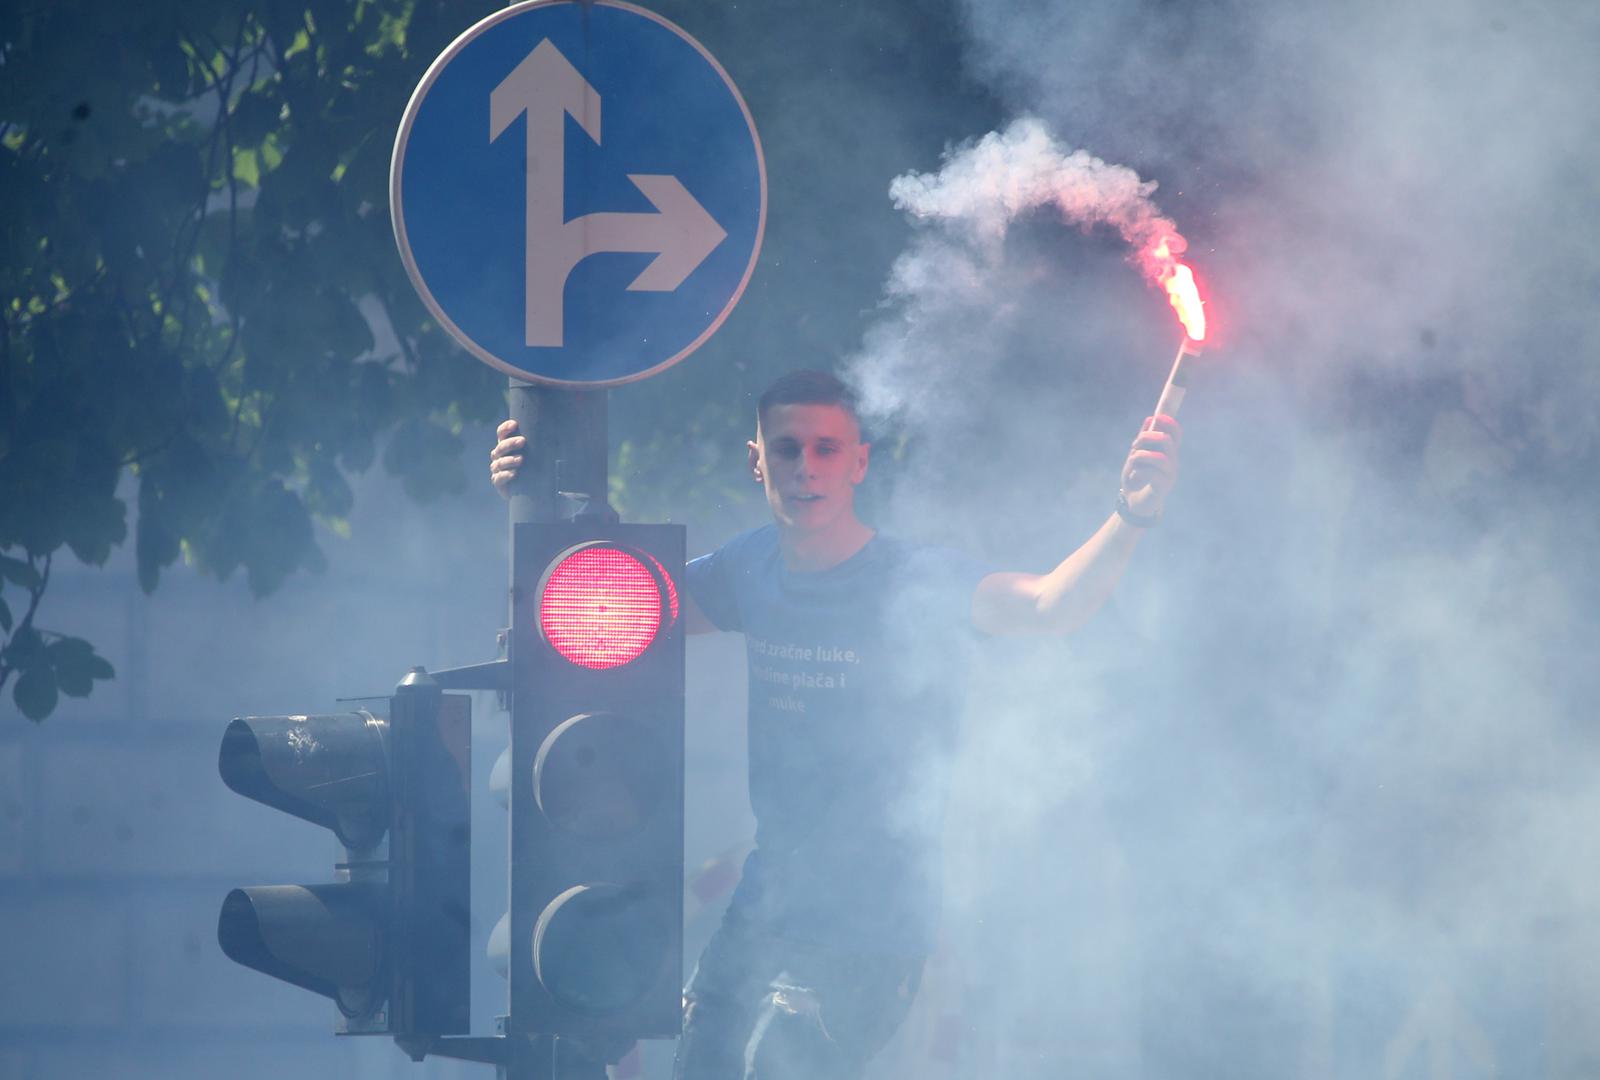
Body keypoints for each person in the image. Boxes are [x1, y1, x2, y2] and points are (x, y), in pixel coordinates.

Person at [489, 370, 1180, 1079]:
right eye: (787, 449)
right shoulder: (746, 568)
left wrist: (1130, 516)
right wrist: (535, 493)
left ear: (859, 462)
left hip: (870, 933)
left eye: (826, 449)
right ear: (757, 458)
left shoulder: (912, 579)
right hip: (764, 915)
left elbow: (1047, 607)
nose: (805, 469)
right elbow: (604, 607)